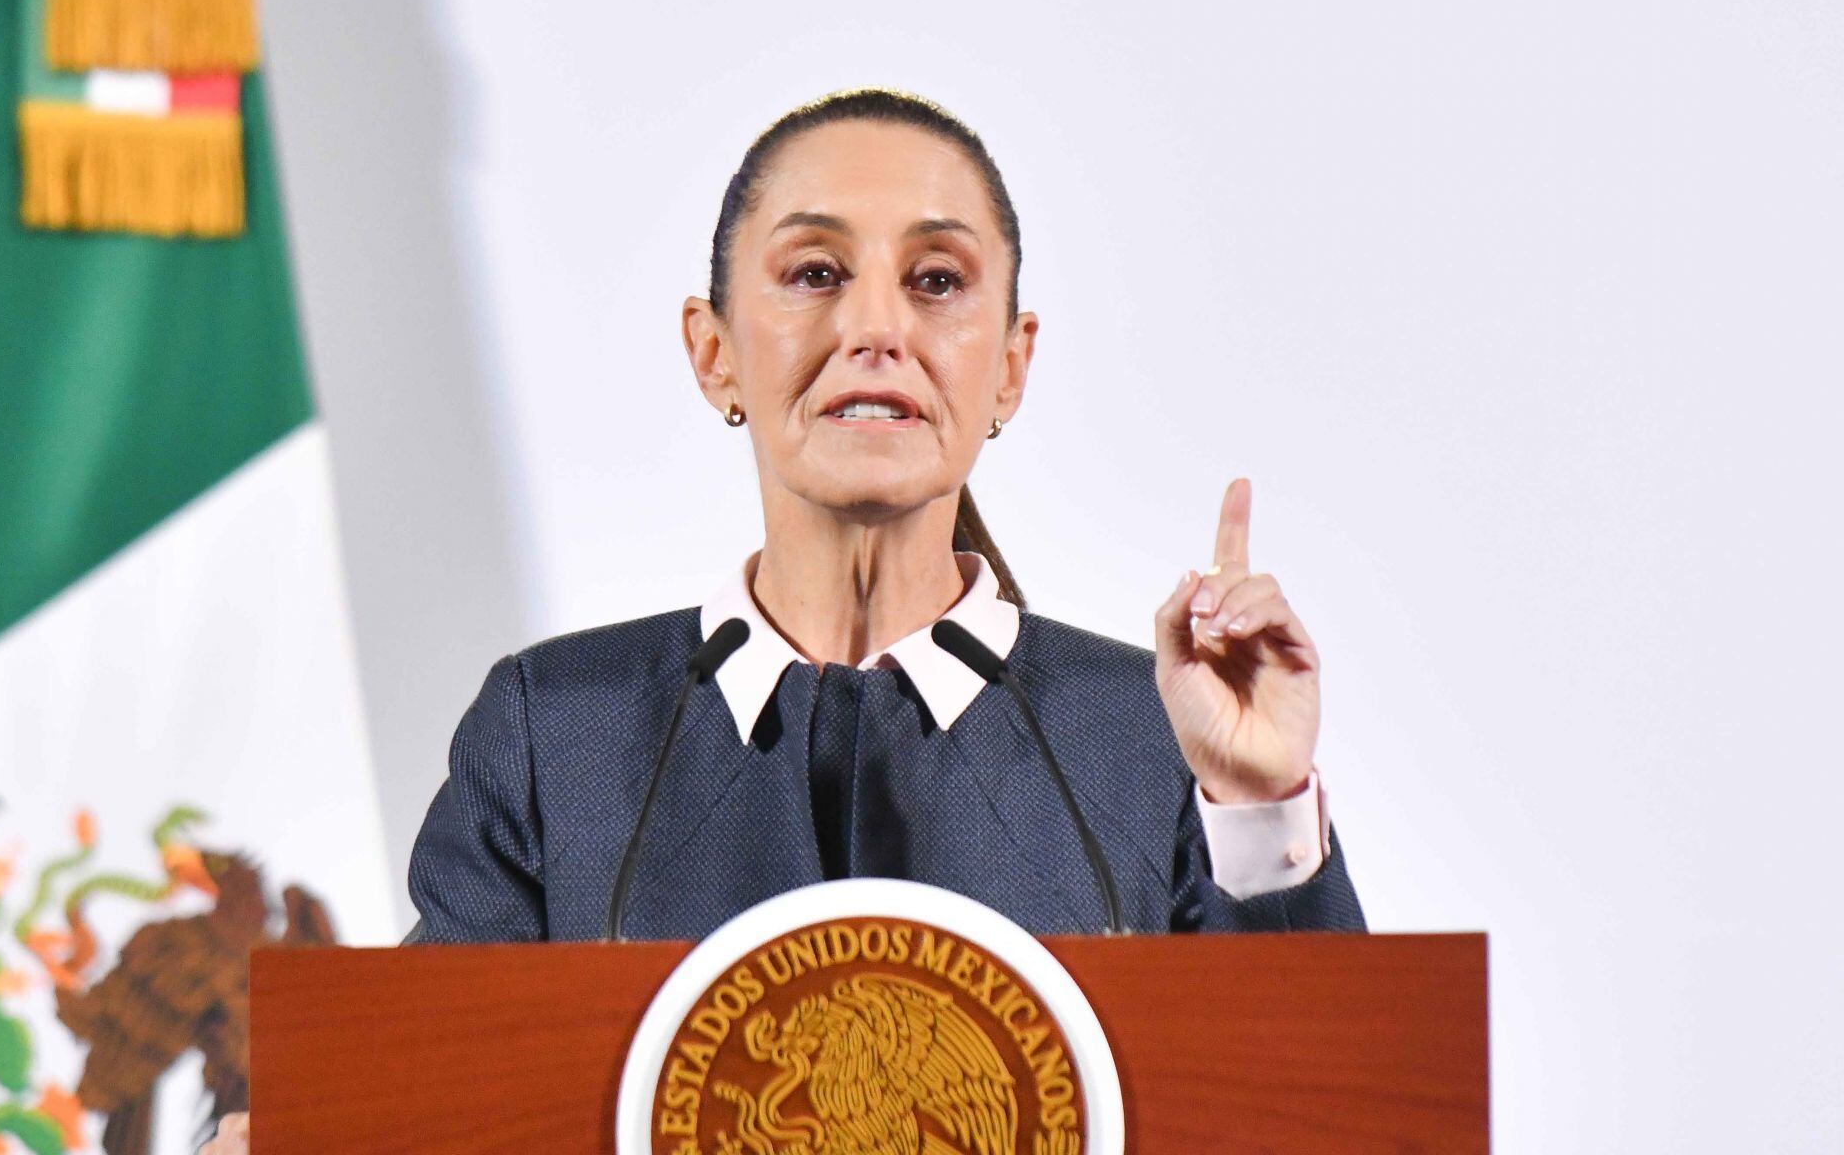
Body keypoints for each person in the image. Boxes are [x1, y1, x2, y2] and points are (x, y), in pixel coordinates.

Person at [197, 87, 1362, 1154]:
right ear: (714, 354)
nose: (876, 328)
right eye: (813, 274)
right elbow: (418, 1093)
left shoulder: (1147, 730)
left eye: (938, 281)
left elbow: (1327, 1113)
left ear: (1009, 367)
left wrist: (1261, 801)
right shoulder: (558, 732)